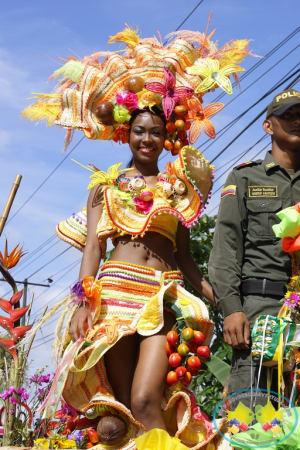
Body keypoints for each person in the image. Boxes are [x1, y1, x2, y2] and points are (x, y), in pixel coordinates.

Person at [21, 25, 253, 449]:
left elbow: (182, 253)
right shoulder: (104, 188)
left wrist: (206, 287)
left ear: (167, 138)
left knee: (148, 401)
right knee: (119, 416)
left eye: (156, 132)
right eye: (140, 131)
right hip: (112, 298)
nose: (148, 139)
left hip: (160, 297)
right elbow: (93, 248)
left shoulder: (178, 188)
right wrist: (81, 302)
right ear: (126, 133)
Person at [208, 88, 300, 400]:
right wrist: (232, 309)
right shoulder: (245, 177)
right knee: (256, 416)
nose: (297, 121)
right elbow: (225, 250)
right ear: (268, 126)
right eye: (288, 115)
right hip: (261, 313)